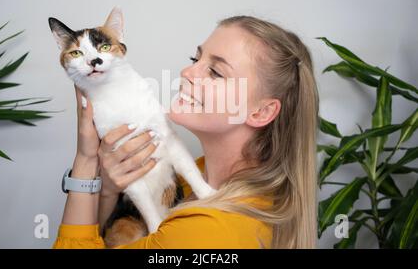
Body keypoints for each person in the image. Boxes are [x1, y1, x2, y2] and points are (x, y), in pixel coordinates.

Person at [52, 15, 319, 249]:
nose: (187, 72)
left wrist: (86, 161)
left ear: (261, 112)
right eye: (195, 58)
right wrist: (108, 189)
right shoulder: (198, 176)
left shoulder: (203, 233)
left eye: (215, 71)